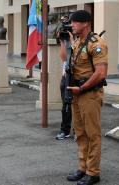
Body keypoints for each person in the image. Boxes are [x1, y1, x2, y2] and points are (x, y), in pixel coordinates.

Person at [65, 10, 108, 185]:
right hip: (76, 93)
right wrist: (64, 43)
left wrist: (82, 87)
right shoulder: (77, 42)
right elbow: (65, 61)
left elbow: (101, 73)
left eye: (75, 22)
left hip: (89, 94)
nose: (72, 24)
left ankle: (93, 172)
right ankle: (83, 168)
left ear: (86, 24)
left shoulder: (96, 43)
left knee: (92, 134)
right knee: (80, 133)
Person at [55, 15, 72, 140]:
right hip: (65, 76)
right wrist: (62, 41)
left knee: (78, 105)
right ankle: (65, 130)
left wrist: (73, 42)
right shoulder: (66, 38)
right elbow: (64, 58)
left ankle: (78, 131)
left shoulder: (84, 39)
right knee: (65, 105)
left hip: (78, 76)